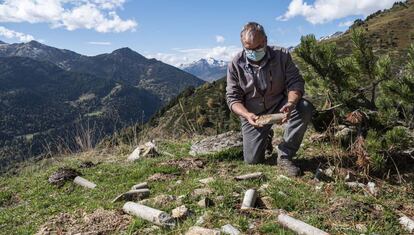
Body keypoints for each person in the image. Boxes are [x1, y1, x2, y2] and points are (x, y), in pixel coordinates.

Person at [226, 22, 314, 176]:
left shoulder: (282, 55)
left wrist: (291, 103)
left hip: (280, 103)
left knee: (304, 107)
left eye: (258, 47)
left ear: (265, 40)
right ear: (242, 44)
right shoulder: (235, 64)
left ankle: (285, 155)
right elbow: (233, 98)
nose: (253, 52)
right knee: (252, 161)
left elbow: (295, 82)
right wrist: (247, 115)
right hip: (253, 113)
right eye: (248, 48)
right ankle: (266, 139)